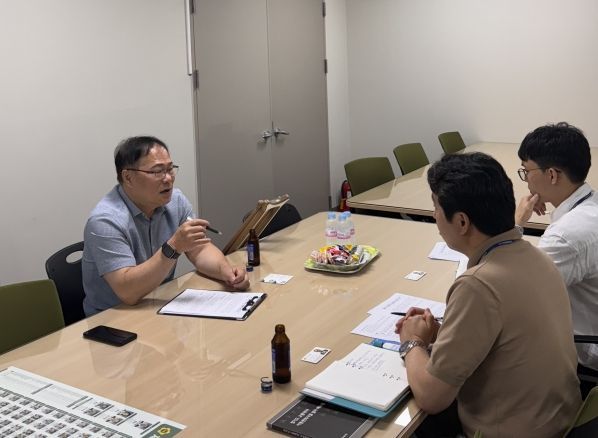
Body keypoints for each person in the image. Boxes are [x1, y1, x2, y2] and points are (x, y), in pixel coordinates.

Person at [395, 153, 581, 437]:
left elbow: (432, 398)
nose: (434, 216)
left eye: (436, 208)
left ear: (461, 222)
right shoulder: (536, 256)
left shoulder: (477, 285)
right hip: (562, 421)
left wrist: (412, 342)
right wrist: (444, 333)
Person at [82, 136, 249, 316]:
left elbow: (200, 249)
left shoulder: (175, 201)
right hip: (113, 316)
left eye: (170, 169)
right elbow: (128, 293)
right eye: (157, 171)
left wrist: (226, 272)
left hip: (159, 301)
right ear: (128, 177)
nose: (168, 178)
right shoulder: (105, 221)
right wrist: (173, 247)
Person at [515, 122, 598, 386]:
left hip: (586, 351)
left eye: (526, 171)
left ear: (552, 175)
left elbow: (516, 294)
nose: (526, 180)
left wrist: (516, 224)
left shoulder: (566, 235)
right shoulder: (590, 204)